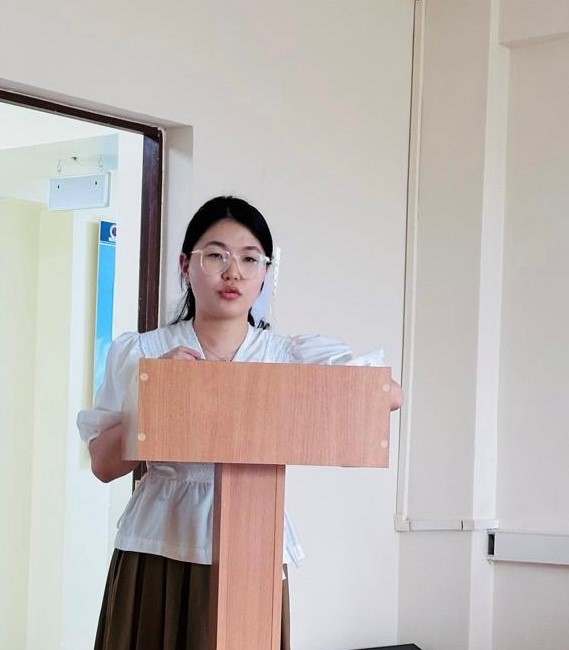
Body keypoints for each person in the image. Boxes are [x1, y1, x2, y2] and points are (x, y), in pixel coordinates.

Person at [77, 195, 403, 650]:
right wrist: (157, 391)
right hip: (158, 545)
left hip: (255, 547)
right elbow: (103, 465)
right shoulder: (143, 352)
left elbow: (389, 395)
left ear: (265, 273)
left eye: (250, 259)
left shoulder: (288, 355)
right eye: (216, 256)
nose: (233, 273)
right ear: (186, 265)